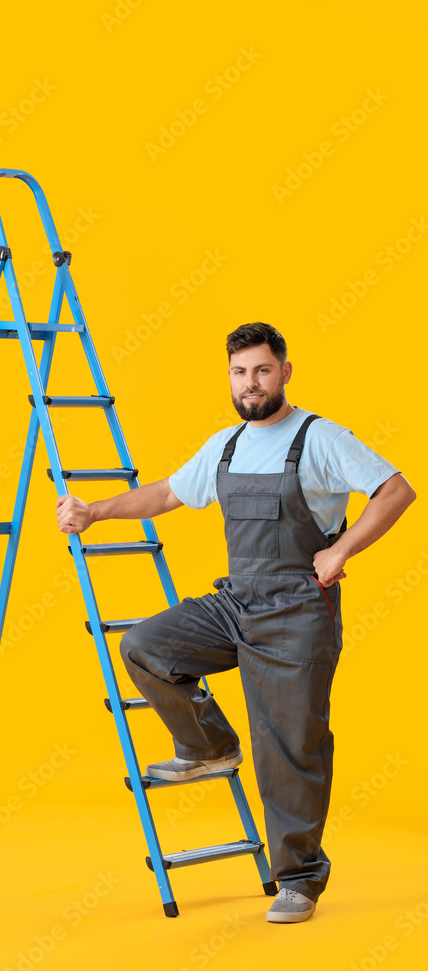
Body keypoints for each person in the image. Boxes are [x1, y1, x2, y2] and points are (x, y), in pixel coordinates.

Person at [55, 322, 416, 924]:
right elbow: (168, 494)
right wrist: (94, 512)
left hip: (299, 613)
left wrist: (341, 550)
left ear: (285, 372)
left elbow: (396, 490)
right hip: (238, 602)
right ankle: (208, 745)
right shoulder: (226, 445)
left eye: (262, 370)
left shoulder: (320, 437)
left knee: (290, 749)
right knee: (146, 645)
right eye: (239, 372)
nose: (250, 384)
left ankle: (299, 880)